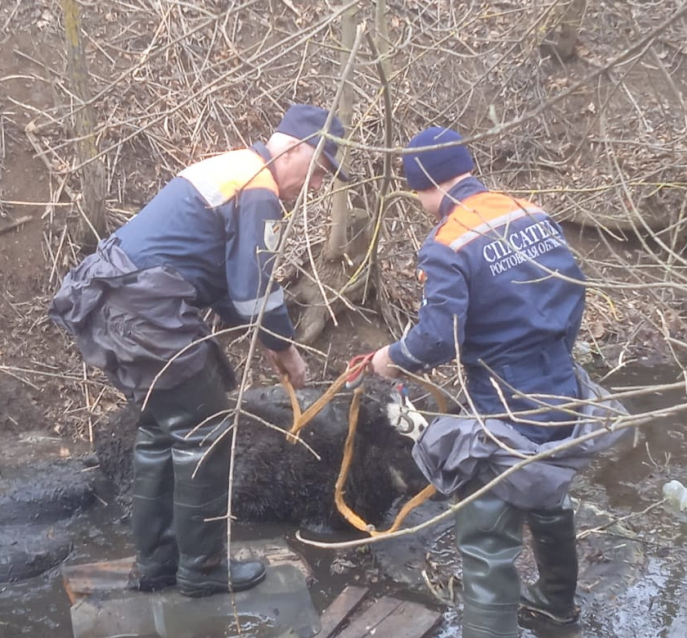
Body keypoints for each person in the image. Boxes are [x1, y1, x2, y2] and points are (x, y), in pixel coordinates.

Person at [50, 104, 348, 596]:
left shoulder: (233, 169)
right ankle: (203, 570)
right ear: (295, 148)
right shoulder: (259, 189)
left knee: (158, 432)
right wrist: (287, 350)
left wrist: (265, 341)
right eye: (317, 171)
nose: (315, 187)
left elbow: (224, 283)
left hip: (113, 300)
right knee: (204, 432)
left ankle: (159, 565)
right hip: (146, 311)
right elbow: (255, 290)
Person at [369, 127, 628, 637]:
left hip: (504, 396)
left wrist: (392, 360)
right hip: (560, 381)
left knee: (487, 516)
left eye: (416, 190)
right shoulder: (528, 210)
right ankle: (557, 605)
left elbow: (439, 338)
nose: (419, 201)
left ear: (426, 183)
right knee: (548, 482)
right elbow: (575, 290)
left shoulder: (447, 243)